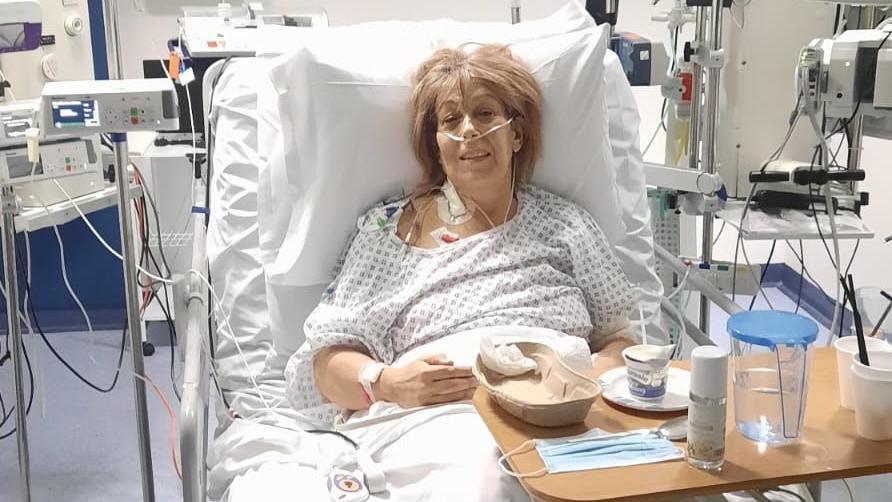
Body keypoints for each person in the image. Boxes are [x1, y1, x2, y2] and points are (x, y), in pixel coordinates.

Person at [283, 43, 636, 500]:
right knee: (491, 480)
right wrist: (388, 383)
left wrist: (575, 378)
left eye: (486, 113)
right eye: (450, 120)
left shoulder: (565, 225)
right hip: (444, 417)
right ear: (436, 143)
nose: (468, 130)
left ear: (517, 134)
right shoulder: (388, 231)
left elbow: (621, 338)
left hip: (562, 414)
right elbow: (326, 364)